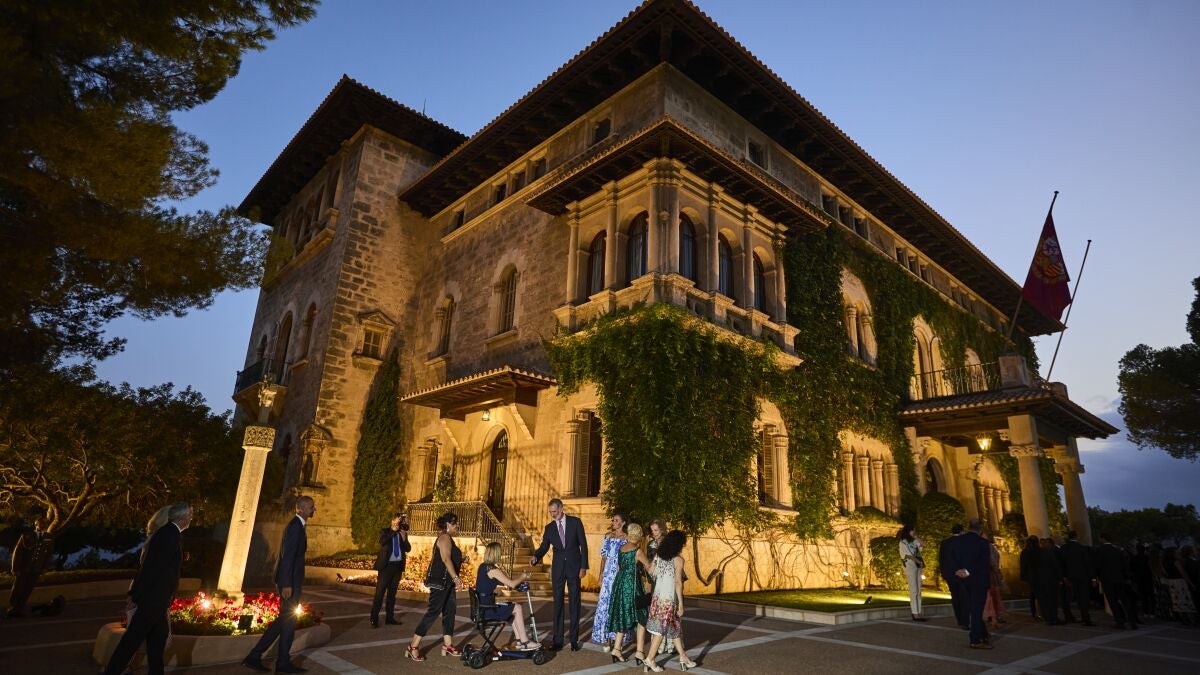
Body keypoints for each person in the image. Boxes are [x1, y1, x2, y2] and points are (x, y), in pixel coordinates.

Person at [102, 502, 192, 675]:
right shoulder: (170, 534)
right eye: (190, 515)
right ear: (183, 517)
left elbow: (157, 566)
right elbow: (152, 569)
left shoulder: (169, 533)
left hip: (157, 599)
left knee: (158, 638)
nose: (191, 519)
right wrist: (135, 595)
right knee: (132, 639)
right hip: (154, 598)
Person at [243, 495, 315, 673]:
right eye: (311, 507)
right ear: (302, 508)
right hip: (289, 582)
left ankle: (255, 656)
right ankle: (281, 663)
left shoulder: (298, 526)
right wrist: (286, 584)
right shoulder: (295, 526)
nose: (314, 510)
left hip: (291, 580)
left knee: (284, 620)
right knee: (288, 621)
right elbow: (287, 556)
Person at [529, 498, 589, 651]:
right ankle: (558, 640)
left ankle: (574, 640)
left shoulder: (575, 522)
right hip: (558, 570)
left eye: (554, 511)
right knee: (558, 604)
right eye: (550, 512)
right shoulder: (549, 528)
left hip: (574, 568)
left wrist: (583, 567)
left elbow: (583, 545)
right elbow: (544, 546)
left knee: (574, 602)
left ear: (561, 509)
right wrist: (536, 556)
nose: (552, 514)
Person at [121, 506, 174, 675]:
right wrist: (134, 596)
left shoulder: (157, 540)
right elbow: (146, 572)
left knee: (150, 635)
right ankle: (122, 668)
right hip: (149, 594)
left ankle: (131, 667)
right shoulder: (157, 541)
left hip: (151, 593)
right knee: (142, 636)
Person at [406, 512, 465, 661]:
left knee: (450, 612)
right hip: (441, 582)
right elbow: (445, 559)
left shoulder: (448, 538)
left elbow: (449, 558)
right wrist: (457, 579)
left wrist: (461, 559)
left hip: (447, 583)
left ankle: (448, 645)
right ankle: (413, 646)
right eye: (455, 523)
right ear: (448, 525)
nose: (457, 525)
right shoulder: (444, 537)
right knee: (433, 612)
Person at [642, 530, 698, 672]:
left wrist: (652, 561)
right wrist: (681, 604)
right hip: (669, 600)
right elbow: (678, 582)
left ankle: (683, 657)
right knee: (660, 631)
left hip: (657, 597)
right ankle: (650, 659)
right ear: (679, 544)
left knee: (674, 627)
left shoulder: (658, 555)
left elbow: (650, 572)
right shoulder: (678, 560)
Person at [475, 541, 536, 649]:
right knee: (517, 608)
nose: (501, 554)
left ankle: (519, 641)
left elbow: (503, 582)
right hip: (488, 609)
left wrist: (515, 584)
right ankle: (525, 642)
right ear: (496, 554)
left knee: (512, 606)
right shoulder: (493, 570)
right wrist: (523, 576)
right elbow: (511, 584)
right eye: (500, 552)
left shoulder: (483, 567)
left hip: (482, 607)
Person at [606, 523, 651, 664]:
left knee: (623, 614)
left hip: (620, 583)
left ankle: (616, 649)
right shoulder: (637, 551)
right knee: (642, 615)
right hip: (632, 586)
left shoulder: (621, 548)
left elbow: (620, 566)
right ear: (639, 536)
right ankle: (639, 652)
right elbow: (649, 568)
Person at [946, 519, 993, 649]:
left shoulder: (958, 541)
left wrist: (957, 570)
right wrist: (968, 571)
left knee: (973, 608)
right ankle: (975, 639)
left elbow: (950, 557)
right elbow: (983, 563)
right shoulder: (983, 543)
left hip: (962, 580)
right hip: (978, 580)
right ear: (980, 529)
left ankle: (983, 634)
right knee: (977, 610)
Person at [6, 516, 54, 618]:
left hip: (36, 568)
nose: (43, 525)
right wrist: (14, 568)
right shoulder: (26, 536)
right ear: (36, 525)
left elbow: (49, 554)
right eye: (41, 523)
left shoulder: (48, 537)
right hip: (23, 567)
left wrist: (44, 567)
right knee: (18, 587)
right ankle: (13, 608)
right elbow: (17, 553)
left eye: (45, 524)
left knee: (28, 588)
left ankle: (21, 607)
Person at [592, 511, 627, 650]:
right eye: (613, 520)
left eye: (617, 520)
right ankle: (607, 639)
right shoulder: (607, 536)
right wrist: (601, 575)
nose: (614, 522)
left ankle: (617, 639)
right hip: (608, 575)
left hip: (620, 573)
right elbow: (604, 557)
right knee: (605, 605)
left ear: (623, 523)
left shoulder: (627, 538)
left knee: (617, 605)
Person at [370, 512, 411, 628]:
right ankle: (374, 619)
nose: (398, 523)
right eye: (397, 521)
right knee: (379, 594)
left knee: (392, 595)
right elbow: (382, 541)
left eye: (399, 521)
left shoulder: (402, 533)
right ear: (392, 521)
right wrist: (392, 531)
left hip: (397, 568)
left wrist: (404, 539)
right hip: (386, 567)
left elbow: (408, 549)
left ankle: (390, 618)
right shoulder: (385, 531)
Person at [1094, 532, 1138, 630]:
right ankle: (1132, 621)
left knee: (1112, 601)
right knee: (1125, 601)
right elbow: (1124, 565)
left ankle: (1120, 621)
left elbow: (1097, 565)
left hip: (1107, 580)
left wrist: (1095, 577)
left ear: (1103, 539)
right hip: (1119, 579)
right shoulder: (1117, 550)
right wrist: (1126, 577)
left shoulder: (1100, 550)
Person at [1058, 530, 1094, 626]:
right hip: (1082, 576)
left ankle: (1069, 616)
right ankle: (1086, 618)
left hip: (1070, 577)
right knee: (1083, 597)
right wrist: (1092, 577)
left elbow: (1061, 564)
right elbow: (1087, 563)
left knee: (1069, 598)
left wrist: (1064, 577)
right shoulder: (1081, 548)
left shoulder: (1063, 548)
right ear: (1076, 537)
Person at [939, 524, 967, 629]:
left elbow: (942, 559)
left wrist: (944, 573)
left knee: (955, 596)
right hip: (962, 574)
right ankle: (964, 621)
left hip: (950, 575)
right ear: (962, 531)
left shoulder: (945, 543)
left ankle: (959, 618)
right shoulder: (963, 542)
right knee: (964, 597)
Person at [897, 525, 926, 621]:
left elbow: (923, 545)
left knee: (919, 589)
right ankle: (915, 613)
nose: (914, 532)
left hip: (918, 565)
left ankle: (919, 611)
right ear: (908, 531)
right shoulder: (903, 542)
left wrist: (916, 537)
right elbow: (907, 555)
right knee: (913, 590)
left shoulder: (913, 541)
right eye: (913, 530)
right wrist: (918, 561)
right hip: (910, 566)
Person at [982, 532, 1007, 630]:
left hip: (989, 574)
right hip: (989, 574)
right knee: (990, 596)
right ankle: (993, 617)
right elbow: (992, 562)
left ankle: (993, 616)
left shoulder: (989, 547)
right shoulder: (987, 547)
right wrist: (997, 572)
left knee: (991, 596)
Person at [1019, 535, 1040, 621]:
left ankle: (1034, 612)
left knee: (1033, 594)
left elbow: (1023, 565)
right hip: (1037, 576)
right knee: (1037, 594)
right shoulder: (1039, 551)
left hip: (1030, 576)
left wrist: (1023, 577)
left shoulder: (1025, 552)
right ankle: (1038, 612)